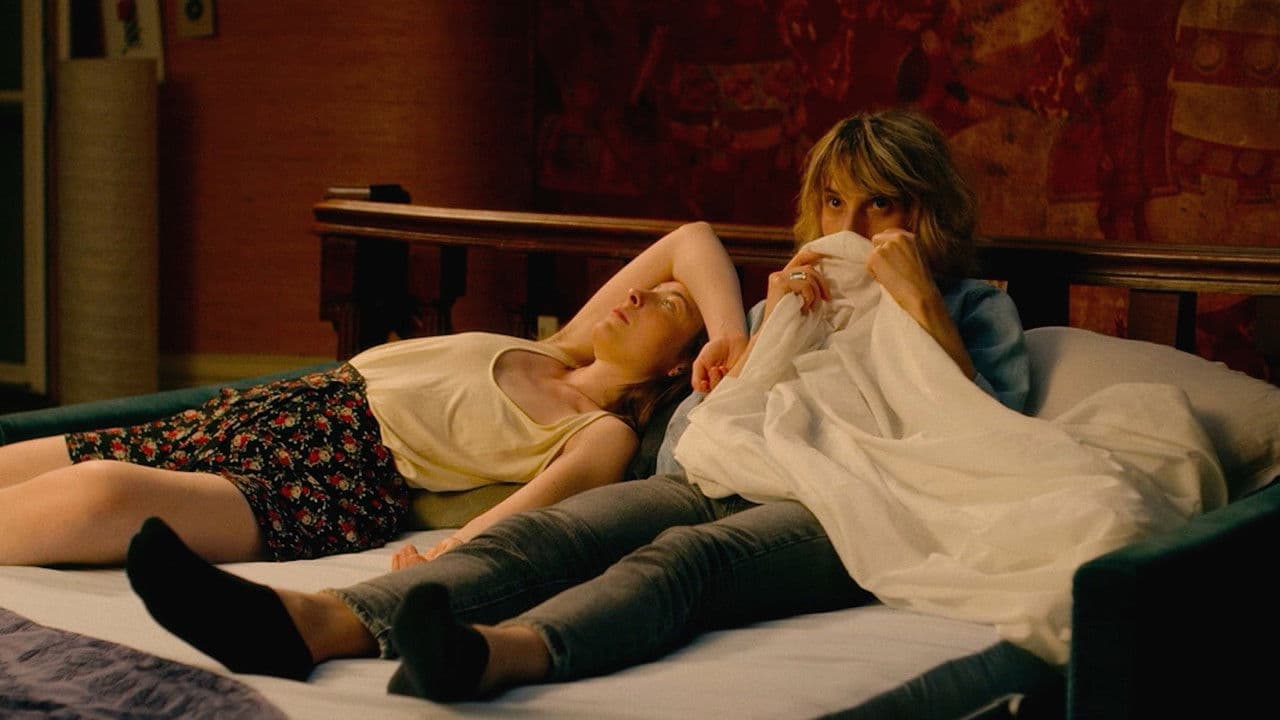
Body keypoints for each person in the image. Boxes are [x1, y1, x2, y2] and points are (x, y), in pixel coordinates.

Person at [124, 108, 1032, 696]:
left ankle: (495, 655)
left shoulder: (973, 310)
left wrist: (916, 301)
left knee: (686, 561)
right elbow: (702, 430)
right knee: (555, 536)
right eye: (836, 204)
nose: (853, 230)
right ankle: (316, 622)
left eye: (881, 207)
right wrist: (749, 355)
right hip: (726, 474)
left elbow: (979, 445)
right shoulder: (790, 301)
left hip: (850, 508)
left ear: (924, 213)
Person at [0, 220, 748, 566]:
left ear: (675, 369)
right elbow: (691, 238)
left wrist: (451, 554)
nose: (638, 294)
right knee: (23, 463)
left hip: (328, 476)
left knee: (99, 495)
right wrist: (727, 331)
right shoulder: (558, 345)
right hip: (273, 410)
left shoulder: (601, 432)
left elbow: (528, 510)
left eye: (668, 305)